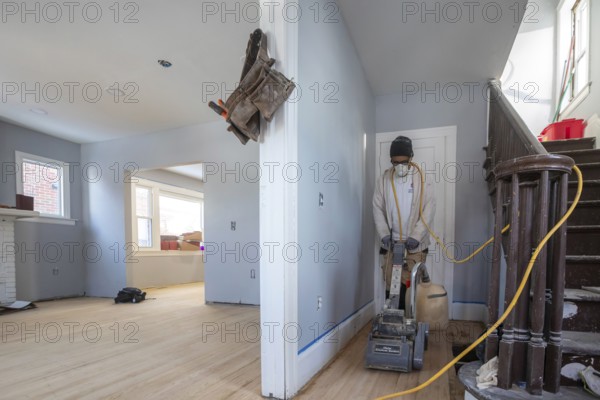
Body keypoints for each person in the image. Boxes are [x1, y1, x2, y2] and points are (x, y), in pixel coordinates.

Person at [373, 135, 436, 310]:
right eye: (395, 162)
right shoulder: (384, 180)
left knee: (408, 286)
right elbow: (377, 207)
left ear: (411, 158)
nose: (399, 166)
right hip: (391, 244)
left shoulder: (422, 179)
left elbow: (429, 209)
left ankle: (408, 323)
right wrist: (384, 233)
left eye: (403, 162)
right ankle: (391, 321)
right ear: (391, 161)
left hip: (414, 245)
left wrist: (416, 235)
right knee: (390, 284)